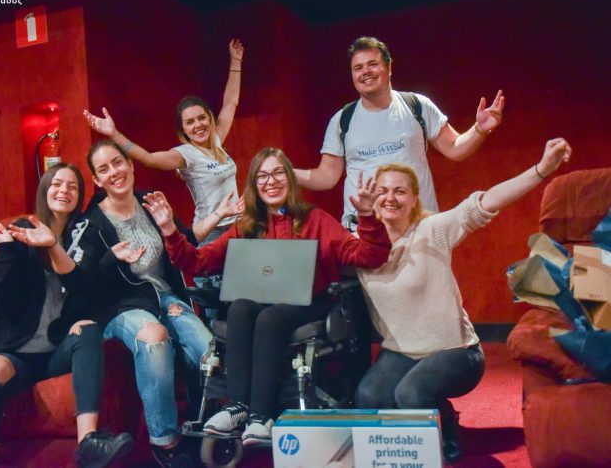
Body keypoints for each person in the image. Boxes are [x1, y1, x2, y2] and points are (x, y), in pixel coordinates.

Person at [142, 147, 392, 446]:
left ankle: (261, 416)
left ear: (289, 178)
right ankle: (238, 407)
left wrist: (367, 216)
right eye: (262, 176)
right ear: (254, 184)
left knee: (271, 317)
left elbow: (369, 255)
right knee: (240, 307)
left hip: (310, 302)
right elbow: (197, 262)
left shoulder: (315, 220)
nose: (270, 181)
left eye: (277, 173)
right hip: (264, 303)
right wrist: (170, 230)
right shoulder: (248, 225)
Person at [354, 137, 572, 464]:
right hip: (400, 352)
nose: (390, 198)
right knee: (368, 396)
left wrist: (541, 169)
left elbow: (488, 201)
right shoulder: (359, 247)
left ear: (414, 199)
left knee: (411, 393)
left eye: (400, 191)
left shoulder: (432, 230)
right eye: (383, 190)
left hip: (456, 352)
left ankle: (446, 429)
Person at [0, 163, 133, 468]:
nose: (64, 191)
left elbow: (85, 285)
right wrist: (4, 252)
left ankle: (88, 444)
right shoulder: (22, 231)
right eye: (57, 184)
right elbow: (1, 306)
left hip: (58, 349)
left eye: (73, 186)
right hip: (17, 352)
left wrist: (56, 246)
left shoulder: (85, 235)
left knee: (88, 329)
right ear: (45, 189)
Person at [68, 139, 214, 468]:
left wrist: (207, 217)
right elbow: (82, 282)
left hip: (164, 296)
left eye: (118, 163)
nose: (114, 172)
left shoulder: (150, 203)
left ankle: (198, 428)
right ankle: (165, 444)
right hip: (119, 306)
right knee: (153, 337)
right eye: (104, 169)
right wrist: (110, 258)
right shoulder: (91, 225)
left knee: (208, 353)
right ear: (97, 180)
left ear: (130, 165)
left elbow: (185, 241)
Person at [295, 36, 506, 228]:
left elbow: (454, 148)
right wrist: (286, 173)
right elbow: (327, 176)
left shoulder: (417, 105)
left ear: (389, 67)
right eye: (358, 68)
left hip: (420, 228)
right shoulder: (342, 120)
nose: (365, 72)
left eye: (373, 64)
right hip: (365, 232)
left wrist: (479, 130)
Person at [83, 38, 245, 243]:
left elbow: (230, 102)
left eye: (201, 118)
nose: (198, 125)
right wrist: (113, 134)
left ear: (209, 119)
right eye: (190, 122)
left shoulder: (217, 139)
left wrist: (236, 60)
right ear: (183, 129)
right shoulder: (186, 155)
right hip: (211, 231)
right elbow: (148, 158)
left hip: (237, 225)